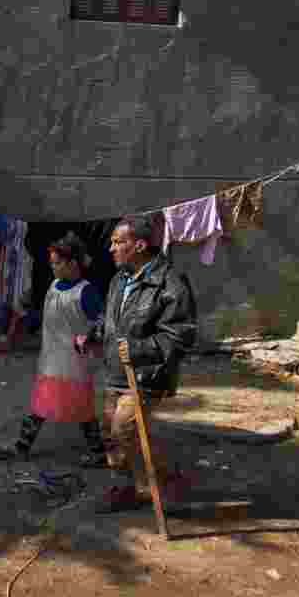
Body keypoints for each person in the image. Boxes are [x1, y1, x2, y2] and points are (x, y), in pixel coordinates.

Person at [79, 215, 199, 513]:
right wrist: (93, 333)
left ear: (140, 245)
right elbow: (109, 317)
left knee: (125, 429)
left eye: (118, 242)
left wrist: (138, 349)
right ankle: (125, 488)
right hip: (114, 372)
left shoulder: (170, 283)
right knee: (109, 434)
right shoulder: (119, 279)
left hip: (146, 375)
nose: (111, 248)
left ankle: (167, 480)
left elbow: (180, 336)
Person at [0, 232, 107, 464]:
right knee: (44, 405)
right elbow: (50, 317)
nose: (53, 267)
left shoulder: (86, 292)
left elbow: (102, 325)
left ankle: (98, 453)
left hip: (75, 362)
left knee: (82, 409)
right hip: (52, 359)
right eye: (52, 263)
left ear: (73, 263)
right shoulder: (54, 285)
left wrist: (91, 338)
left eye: (57, 263)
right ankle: (23, 448)